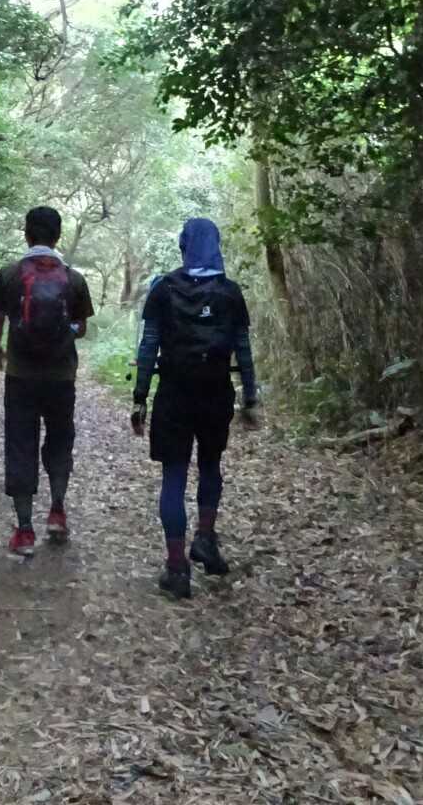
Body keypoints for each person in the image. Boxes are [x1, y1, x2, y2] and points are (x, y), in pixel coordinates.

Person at [130, 218, 259, 598]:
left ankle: (176, 568)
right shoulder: (230, 293)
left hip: (174, 393)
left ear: (184, 246)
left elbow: (148, 345)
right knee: (210, 466)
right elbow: (243, 349)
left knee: (173, 476)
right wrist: (250, 397)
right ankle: (205, 539)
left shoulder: (164, 288)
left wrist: (139, 397)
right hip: (215, 393)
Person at [0, 206, 96, 557]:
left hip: (21, 376)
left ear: (27, 234)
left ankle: (24, 532)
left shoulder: (8, 275)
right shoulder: (74, 279)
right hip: (61, 377)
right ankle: (57, 513)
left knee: (21, 444)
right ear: (58, 236)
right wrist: (64, 332)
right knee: (60, 440)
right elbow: (82, 328)